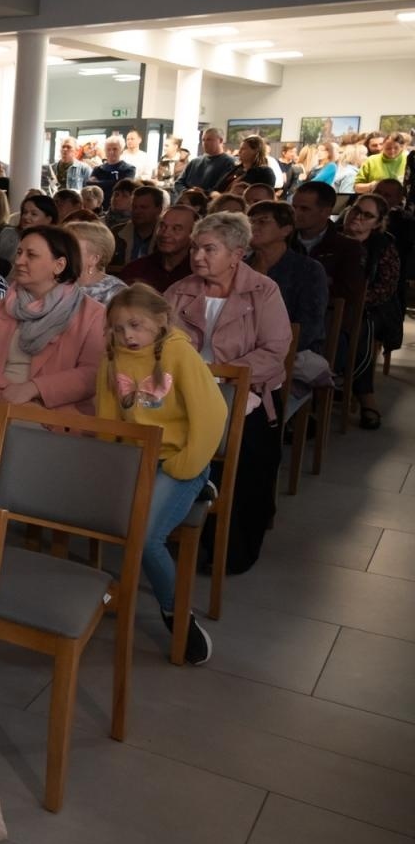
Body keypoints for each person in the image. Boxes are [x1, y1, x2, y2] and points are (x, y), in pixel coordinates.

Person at [95, 286, 224, 665]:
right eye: (118, 329)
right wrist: (114, 465)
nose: (128, 336)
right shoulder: (110, 359)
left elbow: (212, 416)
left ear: (161, 321)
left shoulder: (178, 352)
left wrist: (188, 466)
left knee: (147, 538)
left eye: (136, 325)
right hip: (138, 462)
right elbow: (106, 420)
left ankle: (176, 614)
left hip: (180, 458)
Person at [164, 213, 291, 574]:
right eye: (195, 249)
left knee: (250, 459)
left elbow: (274, 350)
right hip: (186, 393)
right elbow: (159, 341)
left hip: (244, 393)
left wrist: (218, 376)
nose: (198, 257)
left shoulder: (263, 290)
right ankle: (170, 526)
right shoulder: (180, 290)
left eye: (209, 249)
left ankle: (234, 549)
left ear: (237, 254)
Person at [0, 226, 107, 414]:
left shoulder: (93, 315)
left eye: (31, 255)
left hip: (55, 416)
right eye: (19, 253)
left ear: (59, 265)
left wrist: (34, 389)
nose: (19, 261)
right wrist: (9, 396)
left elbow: (93, 373)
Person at [339, 195, 400, 429]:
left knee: (361, 328)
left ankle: (365, 396)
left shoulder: (383, 246)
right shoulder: (331, 237)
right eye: (356, 210)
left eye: (367, 215)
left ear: (377, 223)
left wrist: (356, 301)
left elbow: (385, 288)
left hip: (371, 307)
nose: (358, 217)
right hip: (332, 303)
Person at [246, 202, 328, 355]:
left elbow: (309, 326)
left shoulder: (307, 270)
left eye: (262, 221)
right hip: (240, 347)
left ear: (285, 230)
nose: (253, 227)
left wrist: (271, 349)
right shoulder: (240, 267)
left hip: (292, 350)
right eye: (250, 221)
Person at [290, 180, 367, 302]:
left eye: (304, 209)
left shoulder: (348, 248)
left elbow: (350, 292)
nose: (296, 213)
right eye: (294, 207)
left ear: (326, 212)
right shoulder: (282, 241)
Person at [119, 204, 198, 291]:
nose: (165, 234)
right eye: (162, 226)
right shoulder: (135, 270)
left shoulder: (198, 273)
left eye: (176, 228)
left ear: (193, 234)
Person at [67, 218, 129, 306]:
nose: (62, 252)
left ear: (94, 258)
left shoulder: (116, 292)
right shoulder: (54, 282)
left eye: (71, 248)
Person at [113, 185, 166, 267]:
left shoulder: (167, 236)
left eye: (143, 207)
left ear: (159, 209)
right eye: (134, 207)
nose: (137, 211)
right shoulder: (117, 233)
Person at [183, 127, 235, 192]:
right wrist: (186, 192)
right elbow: (179, 183)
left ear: (220, 140)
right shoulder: (194, 162)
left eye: (209, 140)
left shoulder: (229, 162)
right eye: (203, 140)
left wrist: (204, 193)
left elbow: (223, 187)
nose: (205, 143)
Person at [90, 135, 138, 200]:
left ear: (121, 150)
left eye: (115, 149)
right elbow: (90, 185)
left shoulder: (129, 169)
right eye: (108, 149)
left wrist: (98, 182)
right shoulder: (98, 169)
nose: (111, 152)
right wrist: (115, 182)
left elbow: (123, 187)